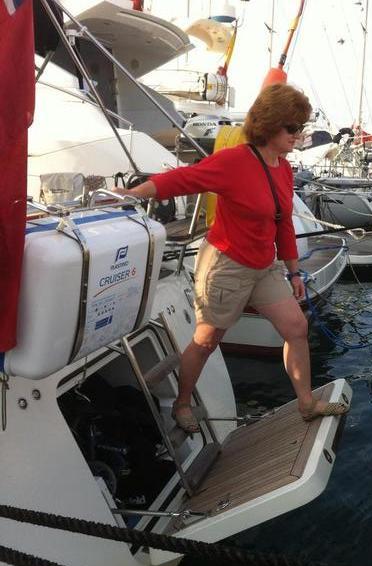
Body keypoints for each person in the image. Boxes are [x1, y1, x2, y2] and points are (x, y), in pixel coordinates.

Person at [113, 83, 348, 432]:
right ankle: (181, 403)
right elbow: (181, 179)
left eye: (301, 128)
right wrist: (133, 194)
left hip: (264, 266)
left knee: (296, 328)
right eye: (292, 128)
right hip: (226, 265)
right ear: (271, 125)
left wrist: (295, 272)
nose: (299, 136)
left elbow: (282, 223)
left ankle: (306, 403)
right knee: (207, 341)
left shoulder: (283, 168)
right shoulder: (235, 161)